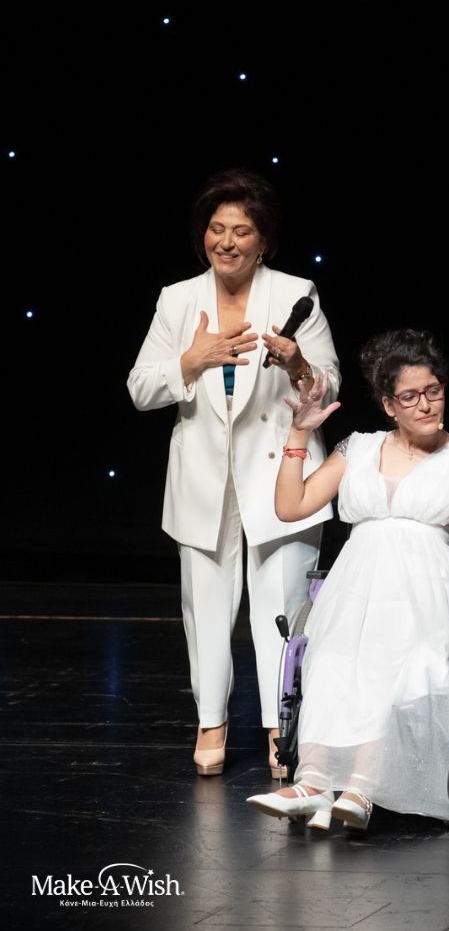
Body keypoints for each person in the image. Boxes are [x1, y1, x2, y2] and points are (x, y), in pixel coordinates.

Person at [246, 329, 449, 831]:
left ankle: (361, 788)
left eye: (433, 390)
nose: (425, 404)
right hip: (356, 585)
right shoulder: (359, 447)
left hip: (425, 589)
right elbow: (290, 507)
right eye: (410, 397)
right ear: (389, 405)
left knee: (401, 667)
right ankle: (312, 782)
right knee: (330, 661)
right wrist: (299, 435)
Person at [127, 168, 340, 779]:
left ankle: (281, 725)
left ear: (263, 240)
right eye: (216, 228)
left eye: (241, 230)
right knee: (206, 609)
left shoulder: (297, 294)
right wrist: (190, 361)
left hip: (280, 475)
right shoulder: (176, 299)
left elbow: (328, 387)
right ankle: (211, 721)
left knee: (282, 606)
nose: (227, 241)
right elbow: (140, 388)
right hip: (203, 476)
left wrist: (298, 363)